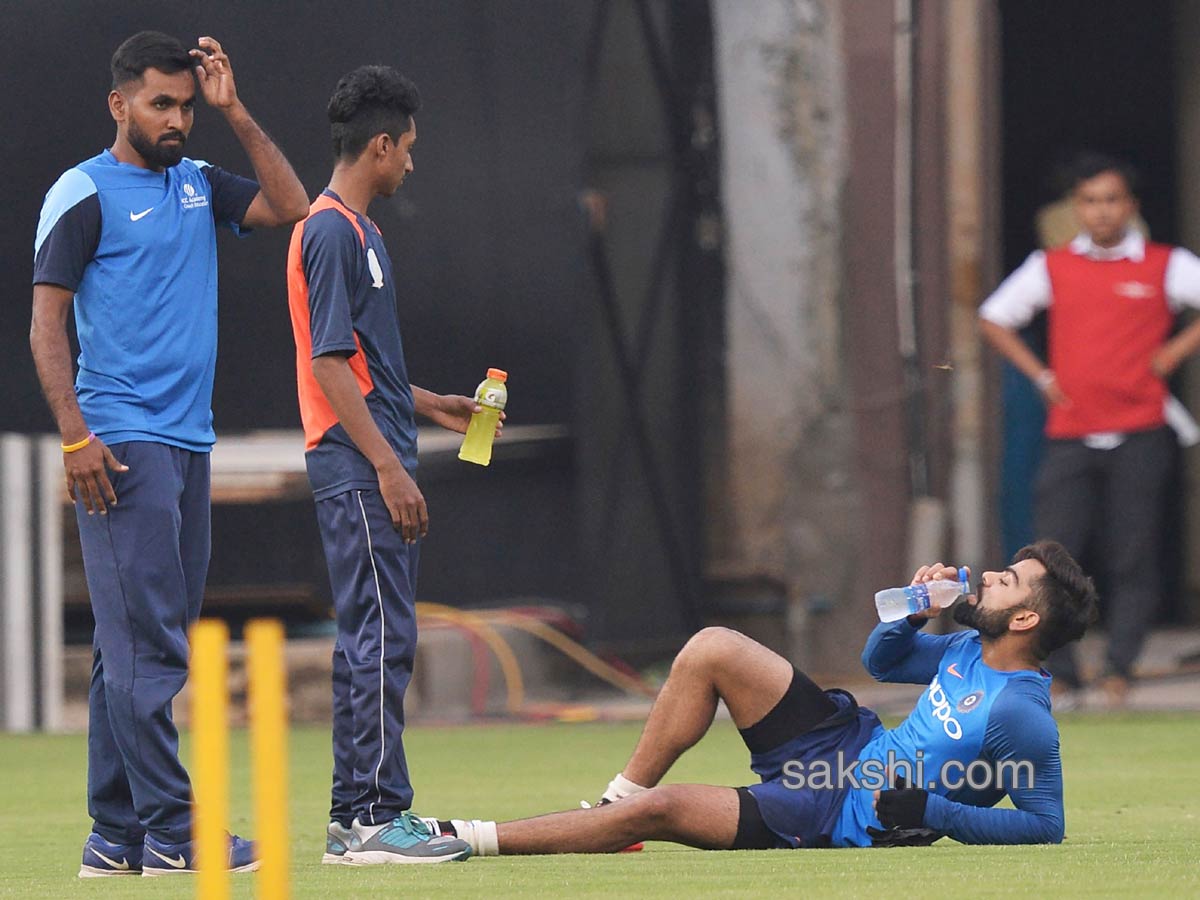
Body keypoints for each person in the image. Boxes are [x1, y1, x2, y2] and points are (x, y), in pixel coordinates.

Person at [30, 31, 308, 877]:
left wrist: (235, 111)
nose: (178, 119)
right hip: (119, 442)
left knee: (142, 644)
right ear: (120, 105)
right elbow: (45, 324)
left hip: (188, 440)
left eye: (187, 105)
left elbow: (293, 206)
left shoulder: (196, 183)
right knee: (148, 646)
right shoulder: (81, 192)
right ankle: (175, 831)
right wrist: (77, 436)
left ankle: (114, 837)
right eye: (163, 103)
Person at [430, 541, 1096, 855]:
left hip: (840, 808)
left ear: (1027, 621)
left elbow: (1047, 826)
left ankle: (460, 839)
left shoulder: (1020, 713)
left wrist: (934, 812)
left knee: (669, 809)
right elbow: (881, 660)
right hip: (847, 744)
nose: (987, 578)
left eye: (1005, 582)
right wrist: (913, 612)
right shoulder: (967, 648)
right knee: (714, 646)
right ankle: (614, 811)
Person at [285, 65, 500, 865]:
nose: (411, 163)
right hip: (355, 466)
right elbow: (330, 367)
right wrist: (387, 466)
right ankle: (374, 818)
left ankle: (356, 818)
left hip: (365, 456)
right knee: (379, 636)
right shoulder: (332, 230)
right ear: (380, 146)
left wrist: (434, 404)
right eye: (407, 148)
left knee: (375, 637)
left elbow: (363, 367)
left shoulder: (359, 230)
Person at [979, 152, 1200, 708]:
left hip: (1142, 428)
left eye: (1111, 200)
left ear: (1130, 206)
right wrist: (1040, 374)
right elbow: (993, 316)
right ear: (1077, 209)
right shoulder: (1051, 266)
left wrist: (1176, 347)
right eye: (1090, 201)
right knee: (1050, 557)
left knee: (1133, 553)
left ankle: (1119, 668)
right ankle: (1062, 671)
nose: (1101, 212)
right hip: (1072, 430)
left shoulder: (1164, 263)